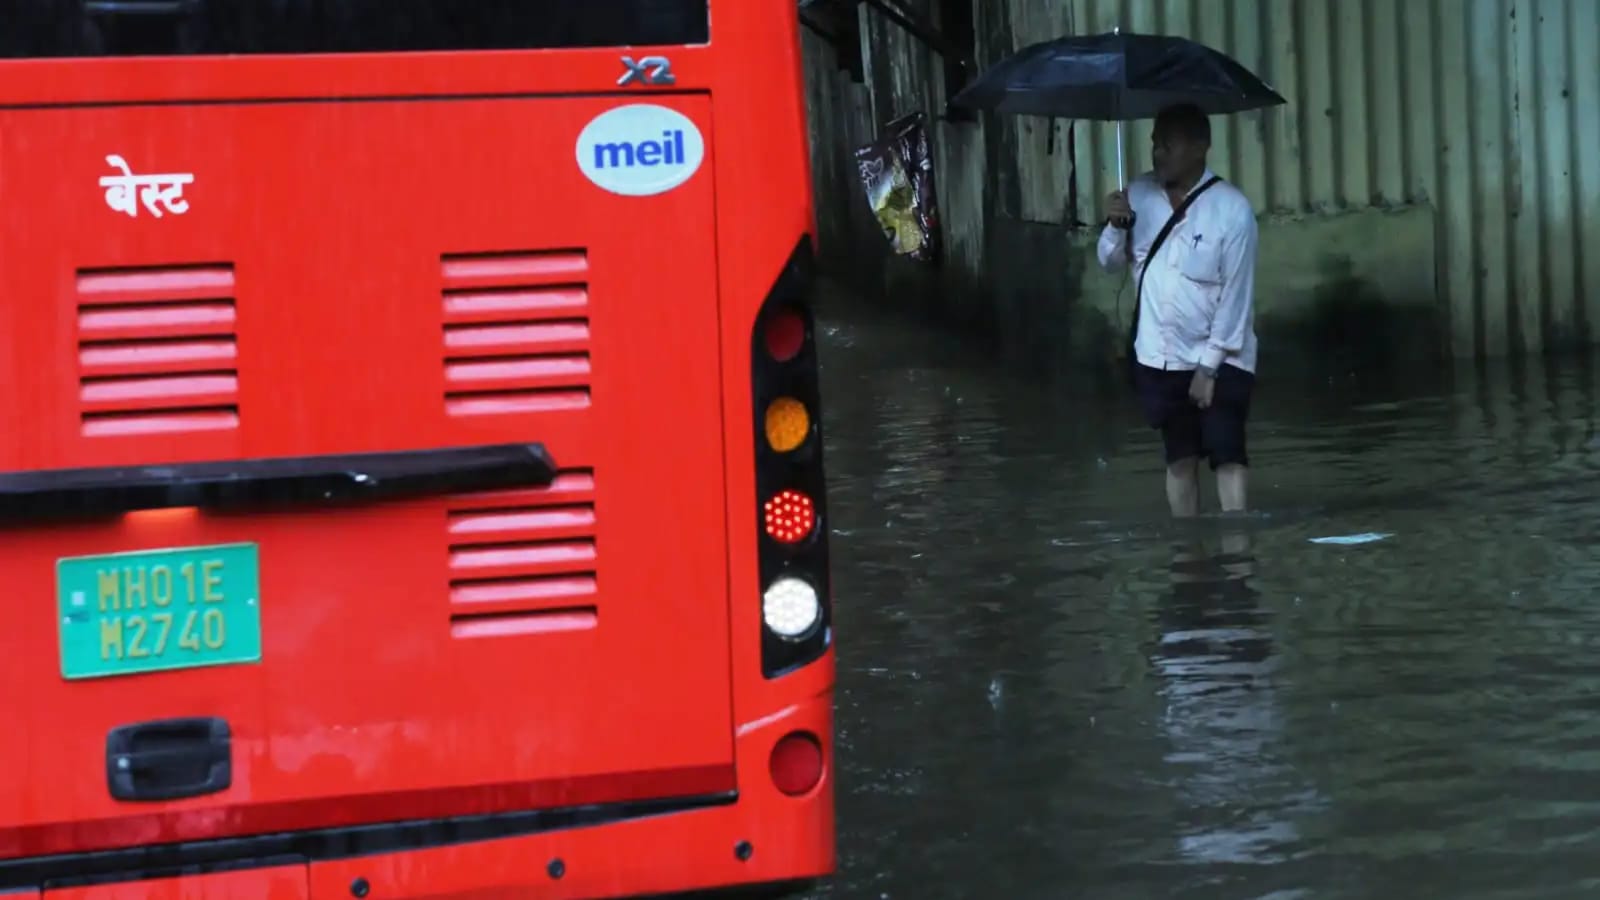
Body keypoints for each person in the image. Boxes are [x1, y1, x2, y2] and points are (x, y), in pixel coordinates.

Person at [1097, 103, 1259, 518]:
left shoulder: (1232, 210)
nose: (1158, 154)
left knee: (1227, 454)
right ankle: (1188, 557)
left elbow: (1235, 298)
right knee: (1179, 456)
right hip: (1160, 355)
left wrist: (1208, 369)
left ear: (1200, 147)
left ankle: (1237, 552)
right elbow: (1109, 263)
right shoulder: (1136, 197)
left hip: (1224, 356)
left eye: (1167, 145)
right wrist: (1115, 227)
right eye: (1155, 144)